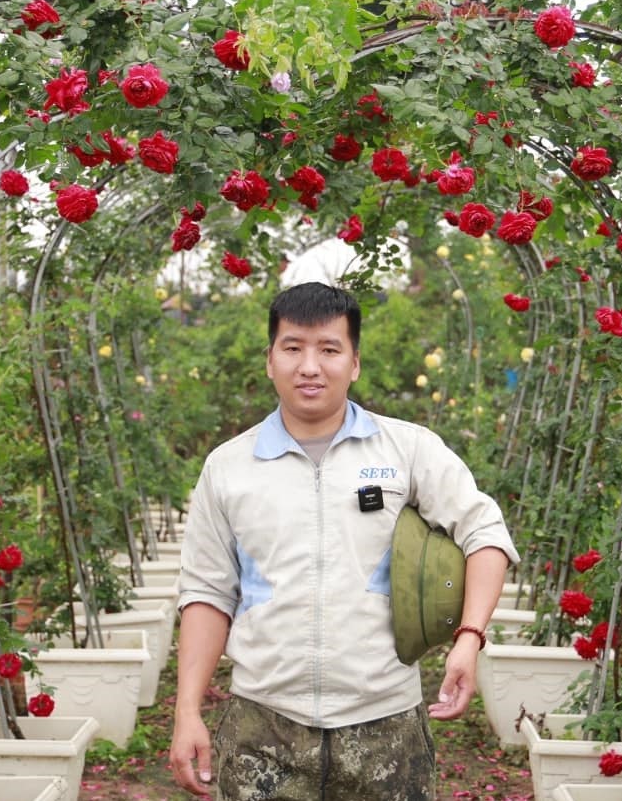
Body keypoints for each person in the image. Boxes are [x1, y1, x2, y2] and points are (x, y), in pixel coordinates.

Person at [169, 282, 519, 800]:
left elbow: (485, 532)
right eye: (293, 348)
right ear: (270, 361)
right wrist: (186, 711)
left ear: (354, 363)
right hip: (262, 729)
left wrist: (470, 638)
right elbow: (207, 592)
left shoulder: (408, 449)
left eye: (329, 349)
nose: (310, 366)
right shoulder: (228, 468)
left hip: (386, 728)